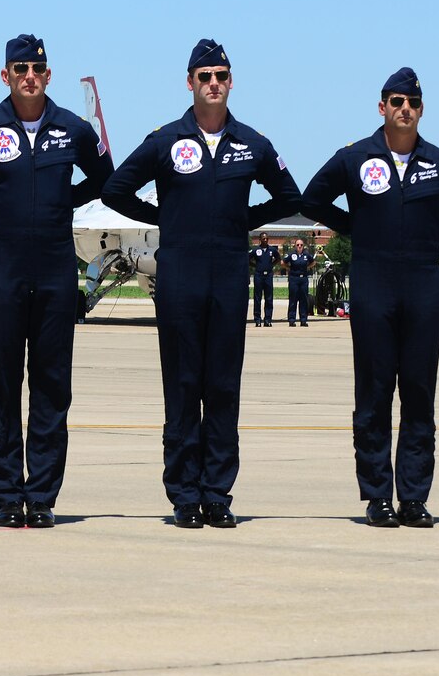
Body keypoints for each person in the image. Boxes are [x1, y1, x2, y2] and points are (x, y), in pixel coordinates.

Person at [102, 39, 302, 529]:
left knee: (223, 387)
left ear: (231, 82)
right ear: (189, 83)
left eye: (221, 75)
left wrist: (242, 221)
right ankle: (184, 495)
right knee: (183, 385)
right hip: (180, 278)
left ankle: (217, 493)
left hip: (230, 277)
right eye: (204, 76)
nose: (213, 83)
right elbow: (114, 189)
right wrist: (164, 218)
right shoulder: (166, 140)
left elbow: (289, 195)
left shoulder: (252, 143)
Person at [0, 35, 112, 529]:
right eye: (20, 68)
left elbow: (104, 178)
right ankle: (8, 496)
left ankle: (43, 497)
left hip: (55, 267)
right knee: (2, 384)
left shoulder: (71, 129)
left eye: (38, 68)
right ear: (4, 75)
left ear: (48, 75)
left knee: (52, 385)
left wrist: (62, 204)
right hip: (2, 268)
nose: (29, 75)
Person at [299, 67, 439, 528]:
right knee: (374, 393)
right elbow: (311, 201)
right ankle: (377, 497)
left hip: (423, 286)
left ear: (421, 110)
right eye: (397, 101)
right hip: (373, 285)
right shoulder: (354, 157)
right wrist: (357, 229)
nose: (405, 109)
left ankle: (414, 498)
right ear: (382, 107)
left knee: (420, 394)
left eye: (413, 103)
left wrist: (431, 237)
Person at [249, 234, 279, 326]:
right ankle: (257, 319)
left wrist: (271, 265)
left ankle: (268, 319)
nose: (265, 240)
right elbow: (248, 258)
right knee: (257, 298)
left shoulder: (272, 250)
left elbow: (278, 258)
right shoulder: (256, 250)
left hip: (268, 276)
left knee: (269, 298)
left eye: (266, 239)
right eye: (263, 239)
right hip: (258, 275)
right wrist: (256, 266)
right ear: (260, 240)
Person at [285, 238, 315, 326]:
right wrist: (289, 268)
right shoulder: (291, 255)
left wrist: (308, 267)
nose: (299, 246)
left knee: (303, 300)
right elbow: (283, 262)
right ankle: (291, 320)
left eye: (301, 245)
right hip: (294, 279)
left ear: (303, 246)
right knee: (293, 300)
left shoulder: (306, 255)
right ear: (295, 246)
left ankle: (303, 320)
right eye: (298, 245)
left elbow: (313, 262)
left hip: (303, 279)